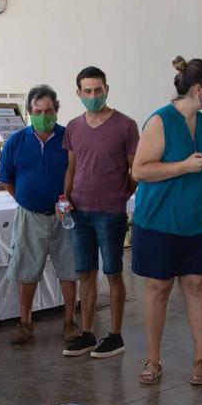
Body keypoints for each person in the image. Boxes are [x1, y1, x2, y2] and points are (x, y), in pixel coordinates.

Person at [133, 56, 202, 386]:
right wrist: (183, 166)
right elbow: (140, 170)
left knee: (197, 287)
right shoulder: (160, 121)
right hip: (159, 220)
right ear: (198, 88)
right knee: (158, 289)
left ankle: (201, 360)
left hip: (196, 220)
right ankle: (153, 360)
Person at [60, 66, 138, 359]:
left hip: (111, 212)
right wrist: (65, 199)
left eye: (98, 90)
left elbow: (136, 169)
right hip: (79, 211)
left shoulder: (125, 125)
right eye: (87, 91)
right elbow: (72, 166)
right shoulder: (74, 127)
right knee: (86, 273)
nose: (93, 96)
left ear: (107, 89)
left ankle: (115, 335)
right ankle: (87, 332)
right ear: (79, 94)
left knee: (114, 272)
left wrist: (122, 195)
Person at [0, 84, 79, 350]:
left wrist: (66, 200)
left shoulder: (69, 138)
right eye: (38, 111)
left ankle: (69, 321)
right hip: (29, 216)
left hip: (63, 216)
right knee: (26, 269)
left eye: (49, 111)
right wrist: (25, 199)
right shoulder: (16, 142)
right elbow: (7, 178)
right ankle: (25, 322)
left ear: (57, 110)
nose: (44, 115)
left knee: (68, 268)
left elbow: (76, 172)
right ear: (29, 112)